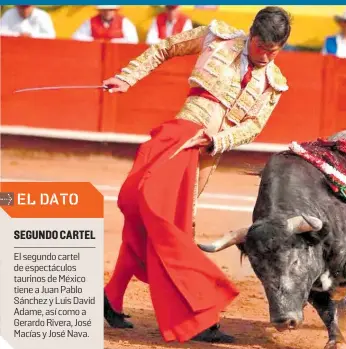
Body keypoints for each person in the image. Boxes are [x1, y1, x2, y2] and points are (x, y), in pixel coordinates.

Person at [102, 6, 292, 344]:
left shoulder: (274, 84)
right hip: (178, 139)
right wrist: (127, 77)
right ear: (251, 34)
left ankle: (111, 297)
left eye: (272, 52)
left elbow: (254, 126)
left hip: (207, 156)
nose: (264, 56)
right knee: (168, 226)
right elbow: (165, 47)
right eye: (260, 47)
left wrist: (219, 139)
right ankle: (199, 317)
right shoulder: (216, 38)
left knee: (154, 222)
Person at [72, 5, 138, 44]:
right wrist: (95, 41)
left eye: (110, 10)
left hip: (118, 55)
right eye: (104, 10)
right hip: (95, 54)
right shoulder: (90, 21)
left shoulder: (124, 21)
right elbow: (76, 37)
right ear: (99, 10)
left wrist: (111, 41)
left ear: (115, 10)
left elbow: (133, 40)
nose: (107, 12)